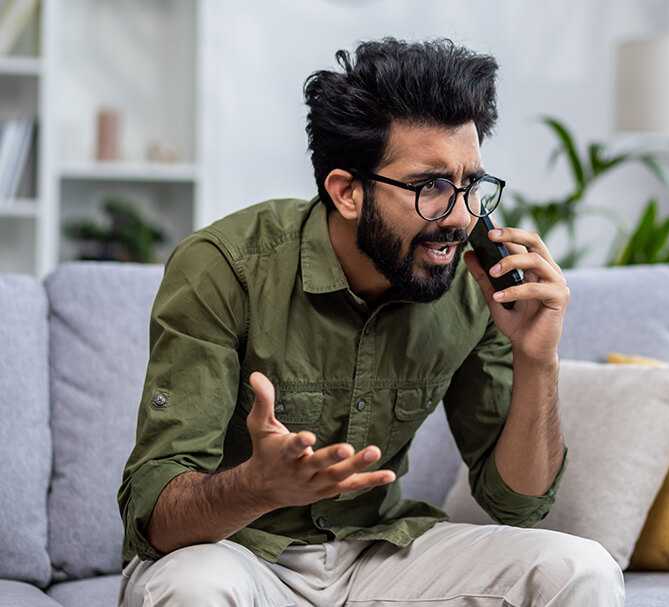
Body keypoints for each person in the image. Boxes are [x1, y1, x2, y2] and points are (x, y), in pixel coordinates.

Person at [116, 38, 624, 606]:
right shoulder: (225, 267)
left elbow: (518, 503)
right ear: (347, 192)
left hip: (378, 554)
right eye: (430, 186)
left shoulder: (475, 284)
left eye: (471, 185)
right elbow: (153, 513)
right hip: (235, 551)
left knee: (582, 569)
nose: (459, 216)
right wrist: (258, 486)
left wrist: (537, 359)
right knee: (194, 588)